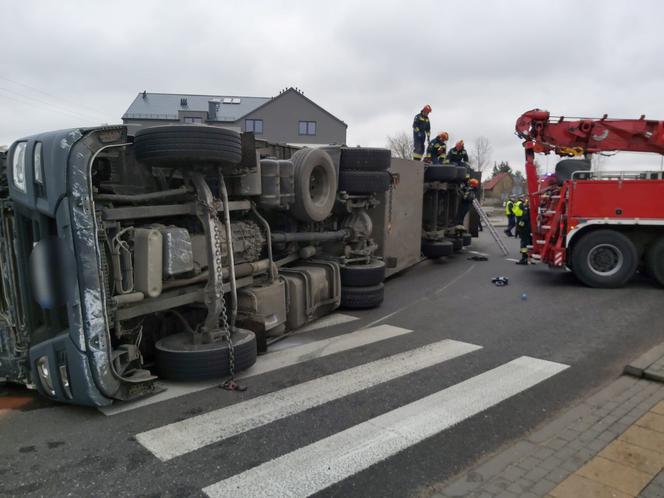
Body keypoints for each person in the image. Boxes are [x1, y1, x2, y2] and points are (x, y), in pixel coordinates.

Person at [515, 197, 532, 265]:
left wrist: (519, 226)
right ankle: (530, 258)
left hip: (525, 228)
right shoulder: (531, 208)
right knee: (529, 242)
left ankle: (524, 258)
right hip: (529, 228)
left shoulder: (526, 208)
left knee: (523, 243)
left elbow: (524, 219)